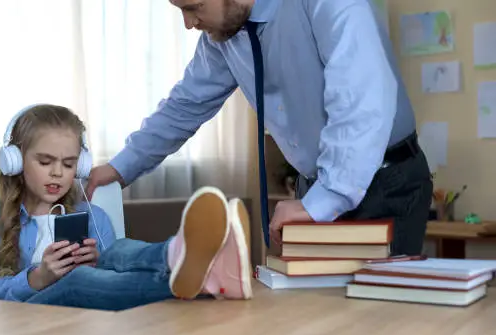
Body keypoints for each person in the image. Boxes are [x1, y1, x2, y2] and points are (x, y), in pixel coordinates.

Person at [85, 0, 433, 256]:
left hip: (385, 182)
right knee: (316, 320)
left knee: (381, 324)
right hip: (317, 187)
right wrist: (119, 167)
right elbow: (185, 105)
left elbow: (361, 99)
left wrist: (324, 201)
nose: (189, 23)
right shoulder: (224, 36)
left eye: (193, 7)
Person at [0, 104, 253, 311]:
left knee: (116, 251)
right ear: (14, 161)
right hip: (31, 320)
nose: (57, 173)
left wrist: (98, 262)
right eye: (45, 162)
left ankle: (178, 253)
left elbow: (118, 281)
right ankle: (209, 276)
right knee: (77, 279)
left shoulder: (92, 215)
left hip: (86, 317)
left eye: (68, 164)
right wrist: (37, 278)